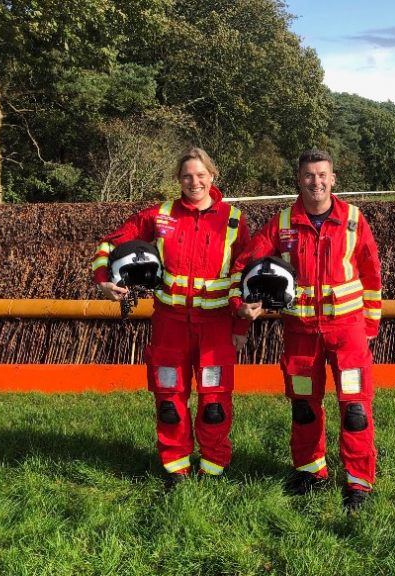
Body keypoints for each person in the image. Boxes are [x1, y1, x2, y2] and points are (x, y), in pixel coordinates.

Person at [91, 147, 250, 488]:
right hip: (170, 326)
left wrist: (241, 325)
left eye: (200, 175)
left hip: (216, 326)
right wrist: (105, 280)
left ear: (212, 176)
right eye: (187, 176)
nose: (194, 181)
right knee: (169, 399)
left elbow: (244, 274)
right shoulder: (158, 215)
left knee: (214, 402)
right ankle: (175, 468)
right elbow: (111, 243)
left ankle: (213, 468)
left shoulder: (234, 219)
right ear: (179, 180)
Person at [234, 149, 382, 512]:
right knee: (303, 407)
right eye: (308, 175)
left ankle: (358, 483)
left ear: (333, 179)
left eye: (322, 175)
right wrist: (246, 300)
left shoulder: (353, 219)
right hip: (300, 334)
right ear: (299, 179)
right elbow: (246, 262)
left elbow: (371, 273)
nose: (316, 182)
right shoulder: (282, 222)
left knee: (355, 411)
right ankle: (310, 472)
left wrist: (370, 327)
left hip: (347, 334)